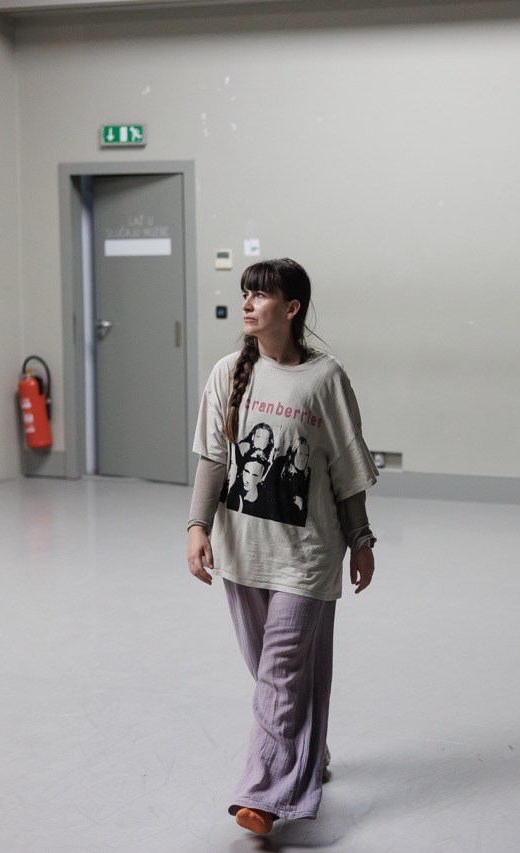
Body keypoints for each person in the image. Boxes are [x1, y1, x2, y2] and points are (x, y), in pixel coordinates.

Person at [186, 258, 378, 835]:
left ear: (291, 309)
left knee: (281, 671)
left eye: (261, 295)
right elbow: (213, 458)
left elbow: (346, 471)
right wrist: (196, 526)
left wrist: (361, 539)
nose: (247, 303)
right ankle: (308, 752)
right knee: (275, 669)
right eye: (244, 292)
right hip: (243, 553)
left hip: (307, 557)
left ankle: (263, 795)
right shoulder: (227, 373)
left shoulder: (325, 379)